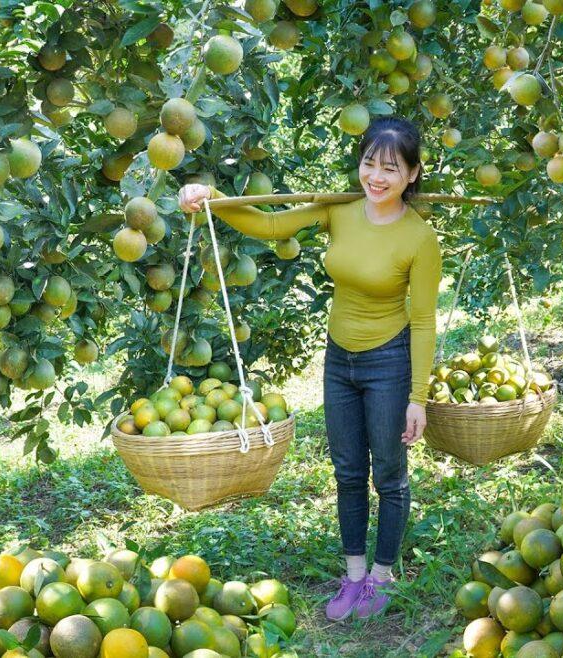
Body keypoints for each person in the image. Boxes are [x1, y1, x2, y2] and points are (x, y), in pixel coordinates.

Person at [177, 116, 441, 620]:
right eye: (369, 163)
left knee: (388, 474)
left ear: (412, 174)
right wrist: (213, 197)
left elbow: (424, 321)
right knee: (346, 472)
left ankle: (382, 578)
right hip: (339, 360)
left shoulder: (419, 239)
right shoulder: (339, 210)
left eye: (391, 168)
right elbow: (273, 224)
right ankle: (354, 574)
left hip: (389, 360)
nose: (376, 177)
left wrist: (418, 398)